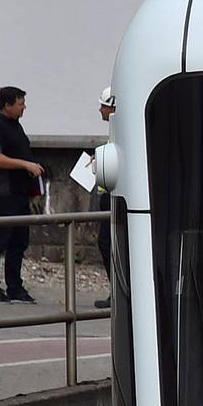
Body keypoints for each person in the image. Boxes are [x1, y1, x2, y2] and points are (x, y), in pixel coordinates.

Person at [0, 86, 43, 304]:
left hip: (20, 193)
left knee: (18, 242)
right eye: (20, 103)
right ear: (7, 105)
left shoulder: (15, 126)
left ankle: (15, 286)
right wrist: (24, 164)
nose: (24, 107)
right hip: (3, 194)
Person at [92, 88, 114, 310]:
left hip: (114, 196)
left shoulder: (120, 130)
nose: (100, 109)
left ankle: (118, 291)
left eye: (103, 105)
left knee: (108, 242)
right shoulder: (117, 130)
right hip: (108, 195)